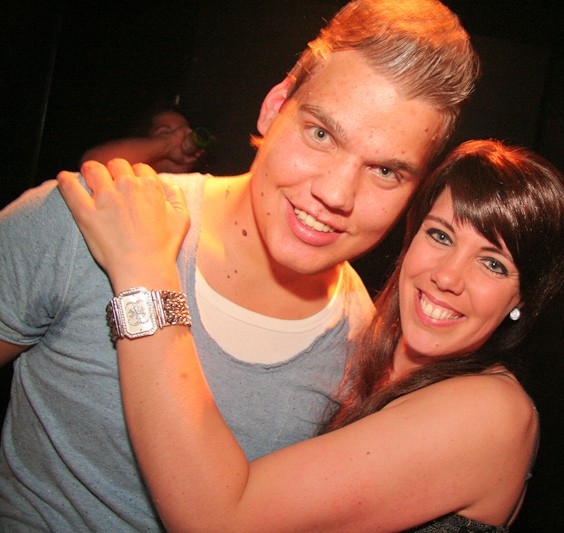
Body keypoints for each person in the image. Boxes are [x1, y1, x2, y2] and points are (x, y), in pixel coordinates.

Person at [0, 1, 478, 530]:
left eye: (386, 171)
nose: (336, 193)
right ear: (274, 108)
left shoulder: (365, 352)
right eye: (321, 134)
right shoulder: (96, 219)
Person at [56, 139, 564, 531]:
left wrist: (144, 273)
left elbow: (220, 520)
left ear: (523, 299)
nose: (447, 276)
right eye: (440, 236)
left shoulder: (492, 412)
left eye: (493, 264)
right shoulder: (359, 341)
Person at [80, 103, 210, 173]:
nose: (179, 139)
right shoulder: (127, 182)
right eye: (165, 133)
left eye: (185, 134)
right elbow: (91, 165)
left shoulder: (201, 190)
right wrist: (168, 144)